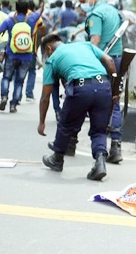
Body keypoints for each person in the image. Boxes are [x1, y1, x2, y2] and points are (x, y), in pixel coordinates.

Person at [38, 34, 117, 181]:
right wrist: (113, 89)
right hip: (103, 85)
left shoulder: (52, 59)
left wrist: (41, 122)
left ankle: (57, 159)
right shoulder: (85, 45)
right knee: (99, 130)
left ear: (48, 49)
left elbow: (45, 97)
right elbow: (110, 60)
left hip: (80, 88)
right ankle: (100, 161)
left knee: (65, 124)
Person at [76, 0, 124, 164]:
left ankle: (75, 142)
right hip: (117, 59)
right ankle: (116, 146)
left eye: (83, 1)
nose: (82, 5)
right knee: (115, 100)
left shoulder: (95, 14)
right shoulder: (112, 10)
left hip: (102, 61)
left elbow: (94, 42)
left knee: (88, 100)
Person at [0, 0, 43, 113]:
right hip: (27, 56)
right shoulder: (32, 19)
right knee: (19, 81)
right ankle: (13, 105)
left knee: (6, 77)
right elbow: (40, 10)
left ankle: (4, 97)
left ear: (16, 8)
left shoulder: (9, 21)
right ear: (27, 9)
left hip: (11, 54)